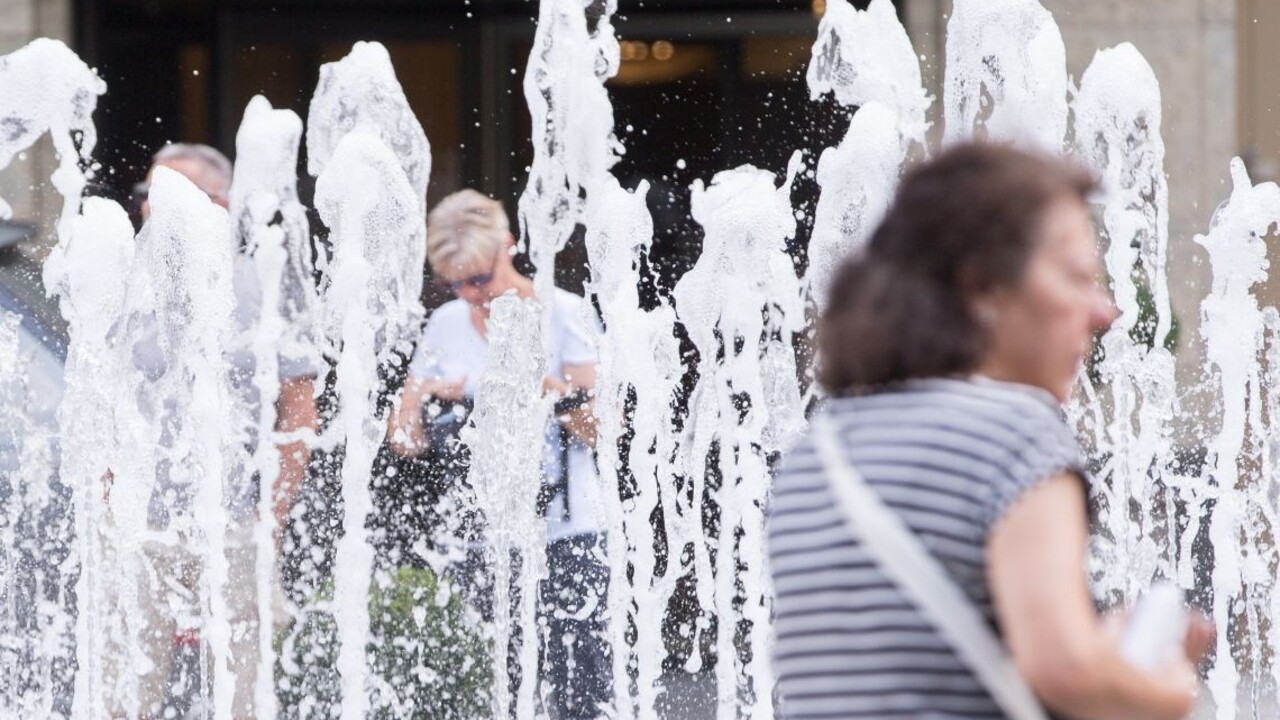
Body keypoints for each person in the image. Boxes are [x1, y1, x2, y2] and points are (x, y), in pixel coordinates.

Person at [768, 143, 1212, 719]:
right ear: (981, 289)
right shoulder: (1016, 435)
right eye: (1077, 277)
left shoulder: (814, 450)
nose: (1105, 312)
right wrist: (1165, 690)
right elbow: (1064, 671)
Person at [114, 143, 319, 719]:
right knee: (123, 693)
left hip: (233, 528)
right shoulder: (123, 285)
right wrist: (109, 504)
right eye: (146, 197)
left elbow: (299, 413)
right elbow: (103, 407)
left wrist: (271, 518)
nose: (153, 209)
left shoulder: (265, 284)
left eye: (171, 195)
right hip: (141, 528)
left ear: (220, 206)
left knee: (241, 694)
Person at [388, 189, 610, 719]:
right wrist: (425, 405)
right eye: (454, 283)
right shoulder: (445, 325)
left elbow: (603, 427)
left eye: (478, 279)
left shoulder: (565, 314)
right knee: (493, 693)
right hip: (479, 537)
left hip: (567, 532)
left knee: (581, 690)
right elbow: (403, 440)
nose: (469, 294)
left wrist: (540, 387)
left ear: (508, 246)